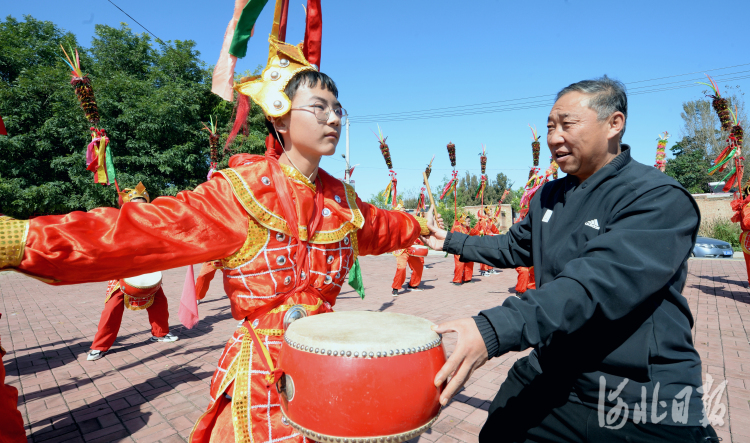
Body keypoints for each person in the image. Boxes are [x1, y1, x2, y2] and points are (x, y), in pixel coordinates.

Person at [0, 22, 438, 443]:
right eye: (319, 108)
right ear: (280, 120)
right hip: (264, 370)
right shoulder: (242, 193)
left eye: (338, 109)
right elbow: (143, 231)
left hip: (331, 365)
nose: (333, 119)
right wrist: (20, 240)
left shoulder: (341, 199)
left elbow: (381, 227)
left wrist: (421, 226)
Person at [421, 76, 719, 442]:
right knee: (500, 429)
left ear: (614, 124)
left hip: (636, 390)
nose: (554, 137)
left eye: (567, 124)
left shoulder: (656, 197)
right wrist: (450, 241)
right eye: (550, 126)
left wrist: (494, 329)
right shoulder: (549, 195)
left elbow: (595, 283)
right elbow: (515, 247)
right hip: (557, 367)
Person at [86, 183, 178, 362]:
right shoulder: (116, 222)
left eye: (143, 204)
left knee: (159, 303)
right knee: (112, 308)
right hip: (123, 271)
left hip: (147, 270)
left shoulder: (152, 223)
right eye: (135, 203)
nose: (139, 207)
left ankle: (160, 333)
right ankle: (99, 346)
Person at [391, 203, 426, 296]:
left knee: (418, 266)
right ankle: (395, 287)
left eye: (405, 210)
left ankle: (413, 285)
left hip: (411, 248)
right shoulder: (394, 223)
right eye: (402, 210)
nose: (405, 212)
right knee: (401, 267)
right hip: (401, 249)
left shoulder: (410, 221)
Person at [451, 212, 477, 285]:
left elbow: (476, 232)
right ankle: (456, 280)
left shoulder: (468, 229)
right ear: (463, 221)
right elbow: (452, 235)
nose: (469, 222)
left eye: (469, 221)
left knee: (470, 263)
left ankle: (467, 278)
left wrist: (482, 233)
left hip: (467, 249)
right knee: (460, 264)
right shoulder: (457, 228)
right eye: (468, 221)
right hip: (458, 249)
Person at [476, 208, 500, 277]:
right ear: (487, 211)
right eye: (491, 210)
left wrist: (499, 234)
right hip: (484, 240)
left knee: (490, 255)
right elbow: (483, 231)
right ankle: (483, 270)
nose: (492, 212)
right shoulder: (483, 220)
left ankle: (490, 268)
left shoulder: (489, 220)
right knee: (484, 255)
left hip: (490, 239)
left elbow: (493, 229)